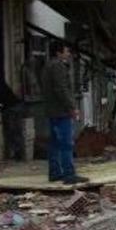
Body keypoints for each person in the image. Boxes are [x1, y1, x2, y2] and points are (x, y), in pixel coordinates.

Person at [41, 41, 87, 184]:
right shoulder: (58, 66)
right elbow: (61, 89)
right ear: (58, 53)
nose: (68, 54)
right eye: (66, 51)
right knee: (66, 142)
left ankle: (55, 172)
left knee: (54, 143)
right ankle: (69, 174)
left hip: (51, 110)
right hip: (61, 111)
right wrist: (72, 107)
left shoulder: (47, 66)